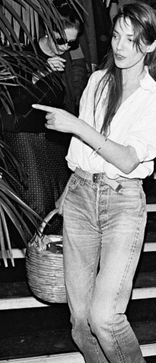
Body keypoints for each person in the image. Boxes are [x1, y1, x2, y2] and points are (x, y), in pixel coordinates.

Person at [33, 2, 156, 363]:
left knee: (105, 318)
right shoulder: (96, 82)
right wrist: (65, 196)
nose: (120, 46)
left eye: (132, 39)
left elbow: (127, 159)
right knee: (80, 323)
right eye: (116, 36)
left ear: (150, 46)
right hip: (80, 196)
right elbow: (81, 153)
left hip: (121, 202)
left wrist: (75, 125)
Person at [2, 1, 84, 235]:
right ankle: (33, 260)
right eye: (60, 40)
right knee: (36, 201)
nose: (65, 47)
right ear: (47, 30)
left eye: (72, 42)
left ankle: (50, 265)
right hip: (22, 134)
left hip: (53, 137)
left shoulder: (69, 63)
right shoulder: (22, 56)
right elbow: (12, 102)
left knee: (59, 203)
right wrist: (41, 72)